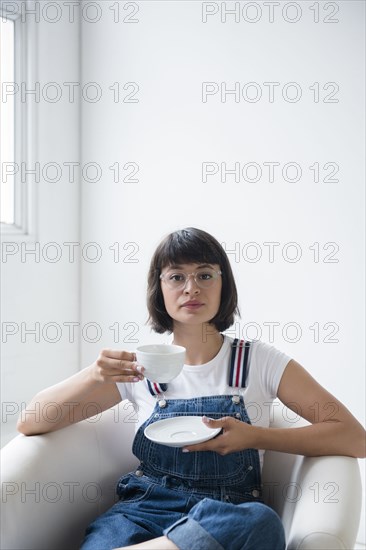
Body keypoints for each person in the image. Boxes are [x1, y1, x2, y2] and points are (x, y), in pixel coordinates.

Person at [17, 227, 366, 550]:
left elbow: (354, 437)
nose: (191, 288)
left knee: (260, 522)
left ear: (223, 284)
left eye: (204, 275)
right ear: (160, 288)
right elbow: (32, 422)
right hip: (143, 511)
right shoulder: (139, 366)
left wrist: (255, 436)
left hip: (226, 511)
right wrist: (93, 375)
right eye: (176, 277)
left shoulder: (259, 361)